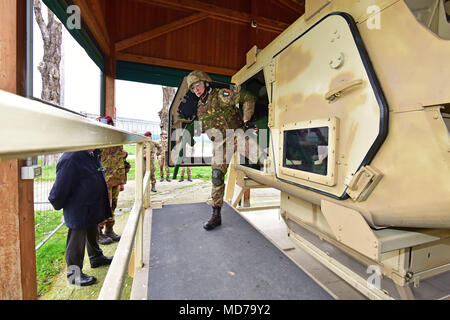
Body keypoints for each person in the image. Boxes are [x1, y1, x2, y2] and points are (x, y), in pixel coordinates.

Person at [187, 70, 256, 231]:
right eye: (193, 88)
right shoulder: (200, 106)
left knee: (263, 162)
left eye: (197, 85)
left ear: (206, 83)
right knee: (216, 175)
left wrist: (246, 121)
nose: (196, 90)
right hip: (220, 143)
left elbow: (247, 97)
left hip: (237, 135)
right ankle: (216, 215)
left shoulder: (220, 95)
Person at [48, 149, 113, 286]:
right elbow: (60, 188)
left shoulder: (92, 153)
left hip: (91, 204)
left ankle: (96, 257)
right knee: (76, 240)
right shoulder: (71, 157)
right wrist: (55, 201)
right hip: (78, 207)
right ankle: (74, 275)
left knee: (93, 230)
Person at [97, 116, 127, 245]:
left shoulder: (115, 137)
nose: (109, 126)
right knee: (103, 206)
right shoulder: (98, 138)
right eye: (106, 124)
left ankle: (110, 229)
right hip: (104, 178)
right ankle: (98, 233)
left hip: (115, 177)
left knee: (113, 204)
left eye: (110, 123)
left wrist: (124, 155)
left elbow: (120, 154)